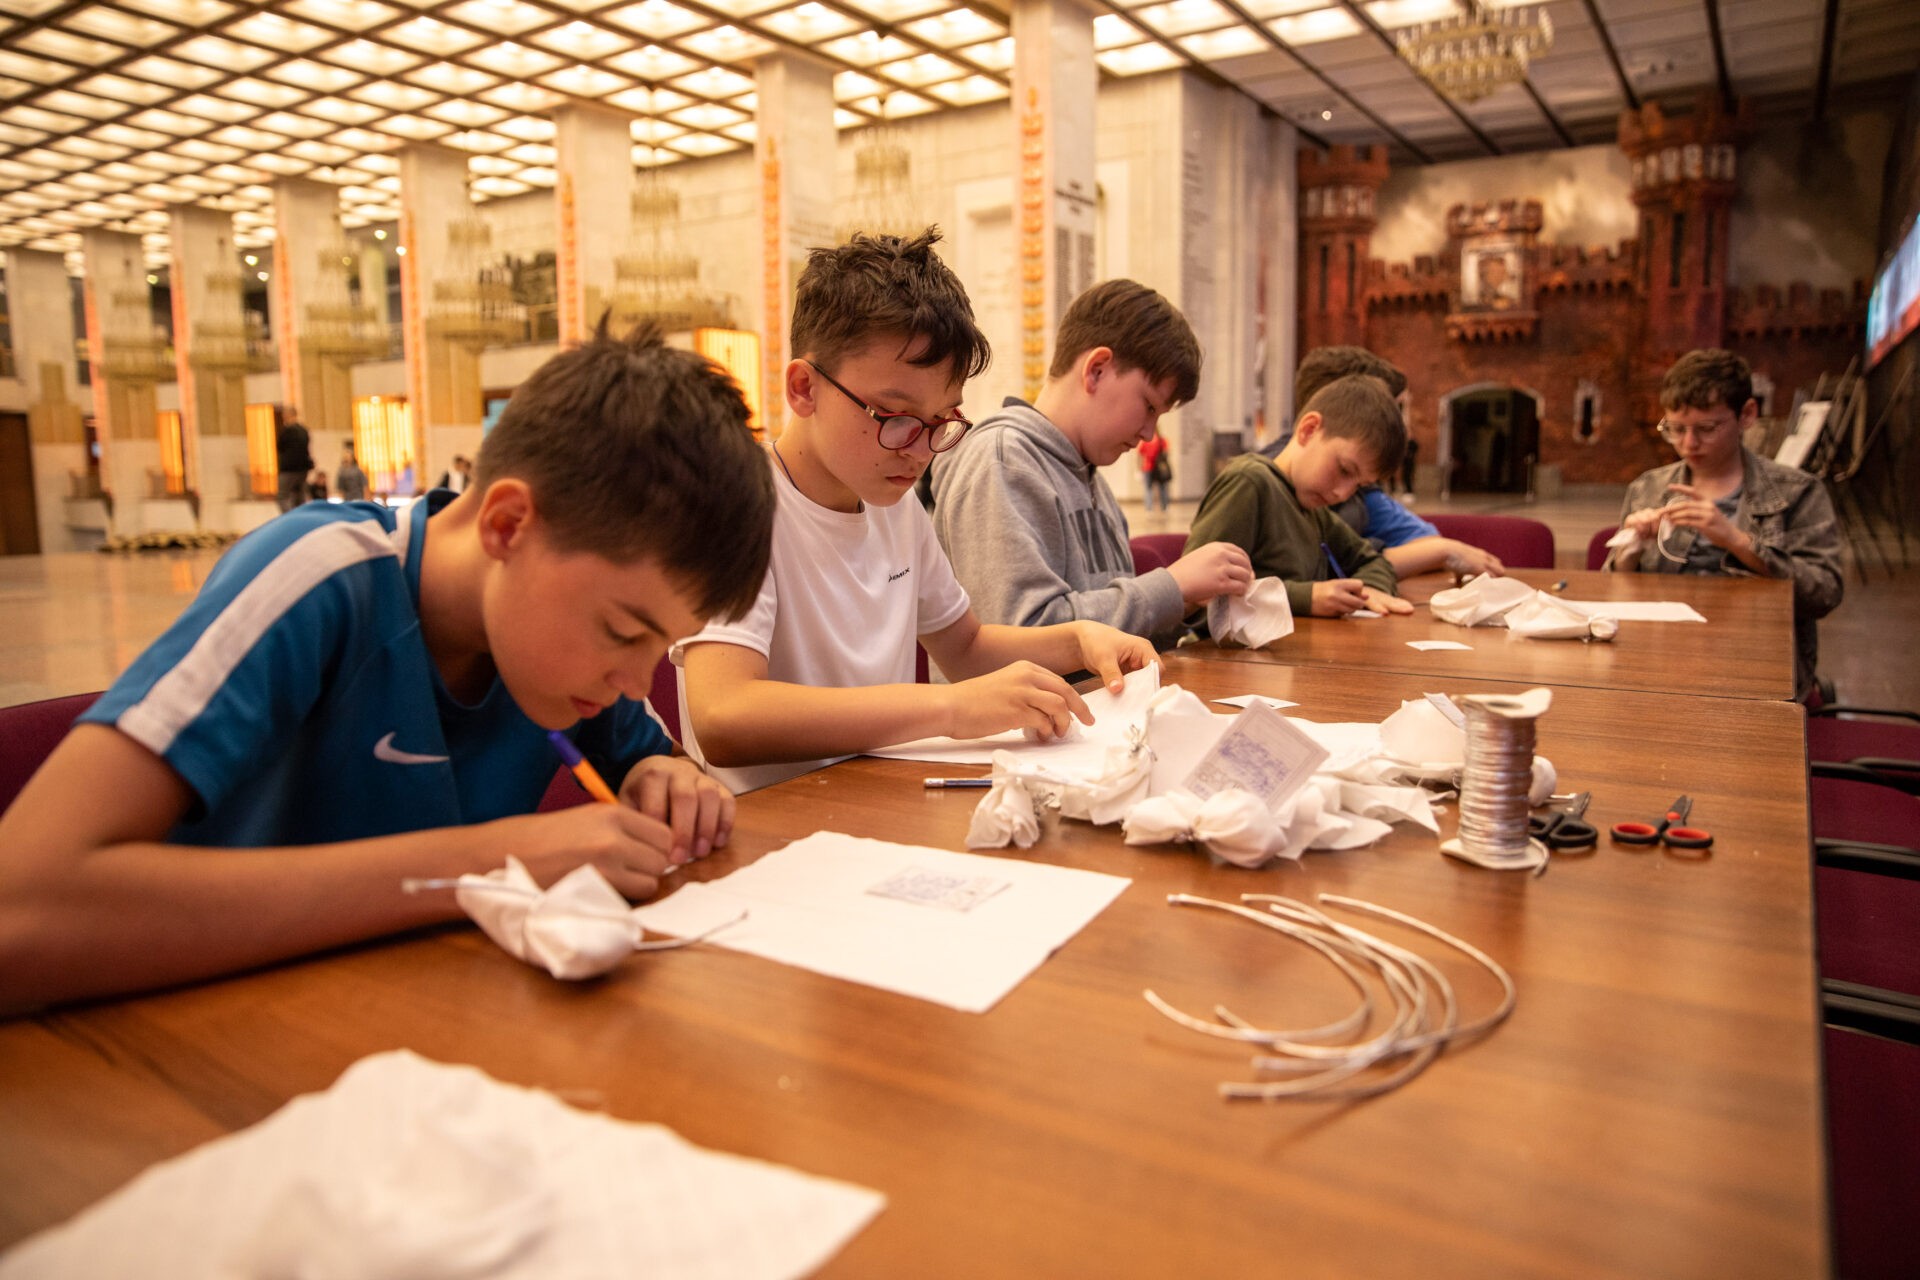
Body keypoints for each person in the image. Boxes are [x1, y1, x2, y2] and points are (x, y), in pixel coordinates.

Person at [0, 321, 776, 1015]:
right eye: (623, 632)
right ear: (508, 525)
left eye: (659, 647)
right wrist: (486, 864)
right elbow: (21, 909)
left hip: (406, 1022)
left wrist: (668, 781)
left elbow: (654, 763)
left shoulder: (564, 651)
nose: (638, 683)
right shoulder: (320, 580)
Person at [675, 230, 1159, 795]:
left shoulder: (896, 506)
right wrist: (950, 708)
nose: (921, 451)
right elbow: (724, 715)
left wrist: (1078, 640)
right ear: (805, 388)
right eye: (896, 417)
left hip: (879, 798)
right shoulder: (739, 505)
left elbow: (966, 647)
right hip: (770, 817)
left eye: (941, 422)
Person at [929, 278, 1250, 646]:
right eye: (1149, 406)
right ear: (1097, 369)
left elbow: (1119, 635)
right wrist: (1172, 586)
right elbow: (1022, 636)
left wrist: (1187, 600)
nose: (1149, 434)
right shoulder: (1002, 462)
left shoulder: (1091, 478)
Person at [1608, 347, 1843, 700]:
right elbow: (1612, 593)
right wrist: (1630, 549)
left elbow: (1824, 593)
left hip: (1752, 661)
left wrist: (1738, 541)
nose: (1689, 443)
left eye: (1706, 428)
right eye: (1675, 429)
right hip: (1659, 656)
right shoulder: (1649, 488)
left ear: (1747, 414)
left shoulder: (1797, 491)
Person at [1262, 346, 1504, 580]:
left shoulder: (1346, 488)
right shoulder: (1264, 482)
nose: (1342, 493)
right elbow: (1319, 572)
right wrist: (1441, 551)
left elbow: (1361, 560)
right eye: (1391, 410)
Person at [1184, 375, 1415, 619]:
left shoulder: (1314, 510)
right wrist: (1306, 598)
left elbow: (1373, 560)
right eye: (1344, 470)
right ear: (1309, 429)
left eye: (1359, 486)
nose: (1342, 494)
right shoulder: (1250, 482)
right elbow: (1196, 596)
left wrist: (1369, 590)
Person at [274, 409, 312, 513]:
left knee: (282, 496)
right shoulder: (303, 430)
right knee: (299, 495)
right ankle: (301, 516)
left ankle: (289, 517)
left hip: (288, 469)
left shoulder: (287, 431)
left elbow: (280, 447)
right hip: (303, 469)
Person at [1138, 431, 1171, 512]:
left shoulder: (1150, 441)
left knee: (1150, 488)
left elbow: (1140, 455)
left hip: (1152, 468)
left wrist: (1139, 467)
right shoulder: (1160, 441)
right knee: (1160, 488)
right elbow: (1166, 453)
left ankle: (1150, 508)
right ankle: (1163, 507)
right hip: (1152, 468)